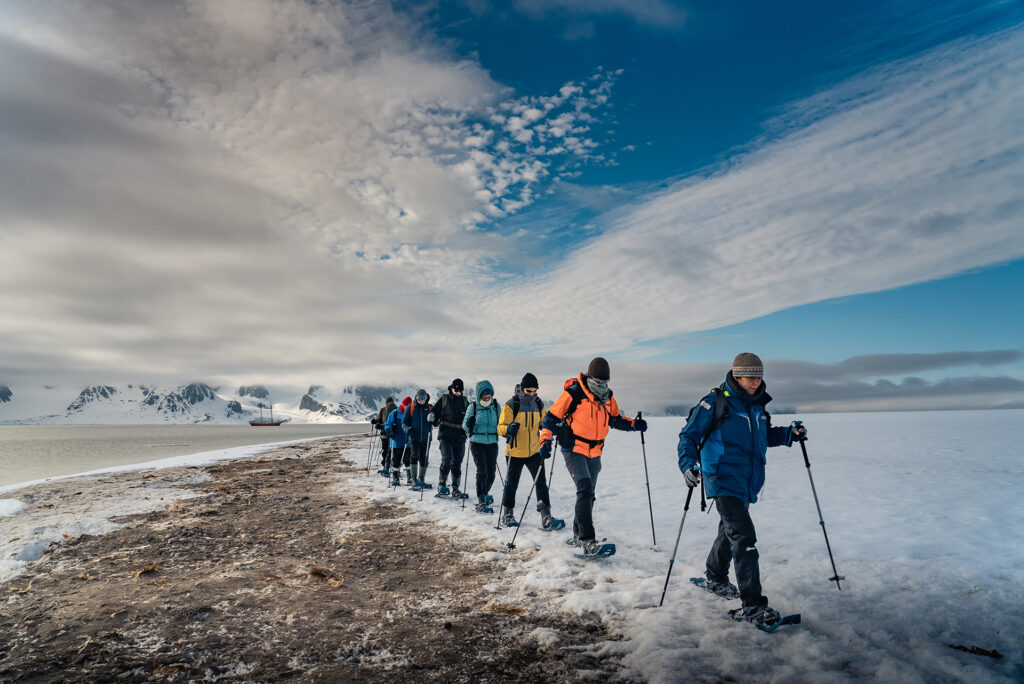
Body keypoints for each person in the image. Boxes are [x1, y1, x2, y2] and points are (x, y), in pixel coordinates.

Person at [676, 352, 807, 627]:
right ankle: (753, 605)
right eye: (751, 377)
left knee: (729, 530)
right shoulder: (714, 402)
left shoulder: (757, 405)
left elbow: (762, 435)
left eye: (759, 377)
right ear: (737, 375)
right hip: (721, 478)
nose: (756, 383)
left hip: (747, 480)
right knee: (744, 537)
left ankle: (715, 576)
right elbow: (689, 436)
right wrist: (688, 464)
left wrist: (787, 435)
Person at [539, 357, 646, 555]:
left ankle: (577, 534)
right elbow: (550, 418)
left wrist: (633, 425)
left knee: (588, 495)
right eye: (597, 383)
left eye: (604, 383)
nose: (601, 386)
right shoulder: (574, 394)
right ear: (589, 378)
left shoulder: (608, 397)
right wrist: (545, 440)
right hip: (573, 448)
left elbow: (615, 419)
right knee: (585, 488)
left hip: (595, 451)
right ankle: (587, 540)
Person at [497, 373, 559, 529]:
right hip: (515, 452)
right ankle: (507, 514)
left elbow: (544, 424)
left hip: (534, 451)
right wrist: (508, 429)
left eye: (534, 390)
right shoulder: (512, 404)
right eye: (529, 390)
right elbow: (500, 427)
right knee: (511, 484)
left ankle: (546, 516)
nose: (532, 393)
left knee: (541, 484)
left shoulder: (538, 404)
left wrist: (553, 429)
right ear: (522, 388)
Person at [462, 380, 500, 513]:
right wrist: (469, 422)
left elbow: (501, 424)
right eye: (484, 397)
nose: (487, 399)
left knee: (491, 473)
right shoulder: (473, 407)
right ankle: (481, 499)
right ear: (479, 396)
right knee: (482, 471)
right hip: (477, 442)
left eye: (489, 397)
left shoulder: (496, 406)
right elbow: (465, 427)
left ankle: (485, 492)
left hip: (492, 443)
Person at [431, 379, 469, 497]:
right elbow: (435, 413)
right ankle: (442, 485)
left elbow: (469, 417)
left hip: (460, 437)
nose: (458, 392)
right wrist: (432, 418)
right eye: (456, 390)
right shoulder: (444, 399)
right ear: (451, 388)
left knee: (457, 463)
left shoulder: (464, 401)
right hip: (445, 436)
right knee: (447, 460)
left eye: (460, 390)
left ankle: (455, 488)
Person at [403, 389, 434, 490]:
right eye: (420, 399)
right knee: (414, 456)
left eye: (423, 399)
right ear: (416, 398)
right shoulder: (411, 408)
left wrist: (432, 420)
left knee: (424, 458)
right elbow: (404, 422)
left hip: (426, 438)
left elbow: (436, 422)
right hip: (414, 437)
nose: (421, 401)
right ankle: (413, 480)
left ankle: (421, 479)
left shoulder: (429, 408)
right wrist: (407, 429)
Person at [386, 396, 413, 486]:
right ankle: (395, 478)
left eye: (409, 406)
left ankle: (410, 478)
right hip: (396, 441)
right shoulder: (394, 414)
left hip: (408, 441)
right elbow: (387, 425)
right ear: (403, 405)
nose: (407, 408)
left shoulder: (411, 414)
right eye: (406, 406)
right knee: (396, 460)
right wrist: (390, 428)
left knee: (408, 460)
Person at [376, 396, 397, 475]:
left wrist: (377, 424)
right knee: (393, 451)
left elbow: (378, 420)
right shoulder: (397, 410)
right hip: (394, 434)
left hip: (384, 434)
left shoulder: (382, 410)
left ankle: (385, 466)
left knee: (385, 450)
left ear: (386, 402)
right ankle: (394, 467)